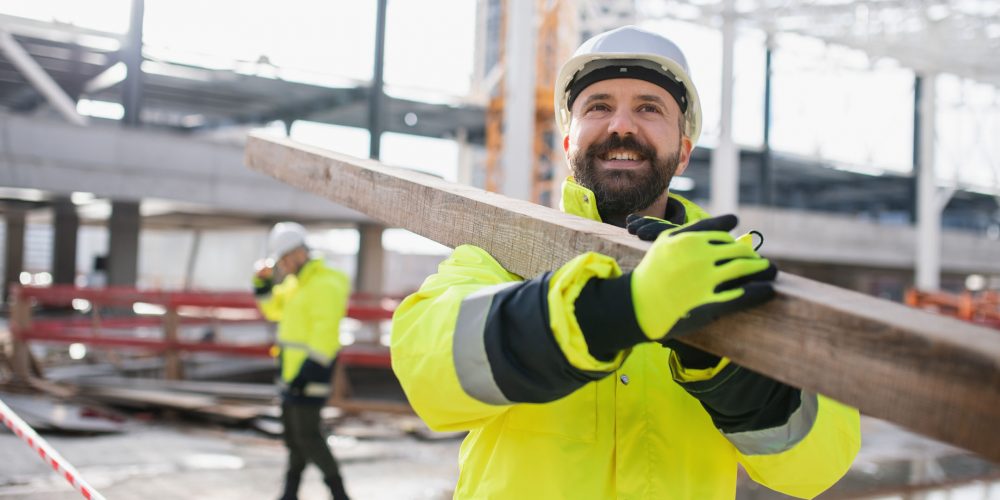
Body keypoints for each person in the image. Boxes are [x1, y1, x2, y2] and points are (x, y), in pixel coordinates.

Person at [391, 25, 860, 499]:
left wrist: (720, 359)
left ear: (683, 154)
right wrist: (616, 309)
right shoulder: (502, 256)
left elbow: (815, 467)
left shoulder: (729, 281)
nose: (621, 126)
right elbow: (429, 375)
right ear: (569, 145)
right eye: (598, 107)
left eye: (648, 108)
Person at [254, 222, 351, 500]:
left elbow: (326, 334)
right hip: (290, 375)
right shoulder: (295, 284)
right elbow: (272, 310)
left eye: (284, 259)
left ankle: (340, 495)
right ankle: (289, 493)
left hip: (310, 375)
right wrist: (262, 283)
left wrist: (308, 372)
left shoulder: (324, 284)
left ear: (299, 253)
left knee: (308, 437)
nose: (282, 266)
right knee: (294, 438)